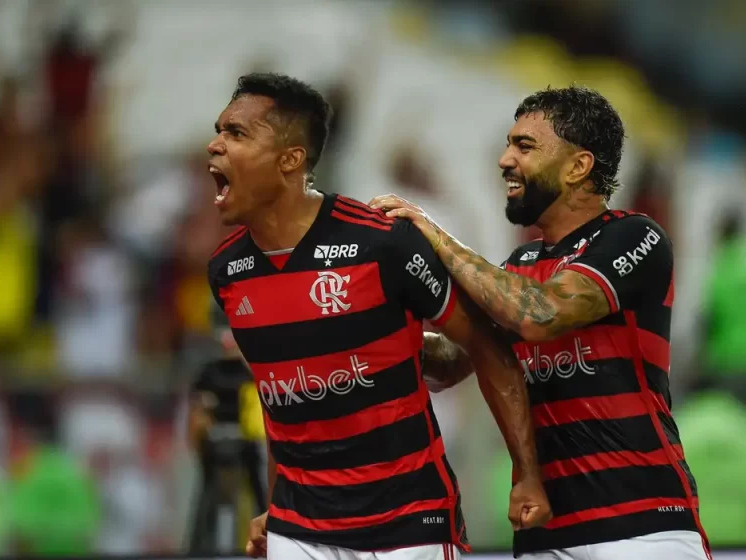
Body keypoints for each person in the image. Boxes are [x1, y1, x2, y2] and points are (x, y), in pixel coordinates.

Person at [206, 73, 551, 560]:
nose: (214, 146)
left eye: (236, 134)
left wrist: (526, 474)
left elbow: (483, 342)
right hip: (301, 526)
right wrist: (274, 506)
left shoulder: (382, 243)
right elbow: (279, 401)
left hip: (408, 523)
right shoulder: (227, 272)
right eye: (219, 130)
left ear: (290, 160)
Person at [370, 86, 711, 560]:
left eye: (524, 147)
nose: (505, 160)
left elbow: (543, 314)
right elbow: (451, 362)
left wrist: (435, 236)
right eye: (509, 144)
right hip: (545, 531)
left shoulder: (635, 236)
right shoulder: (520, 265)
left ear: (578, 166)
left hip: (642, 525)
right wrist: (361, 332)